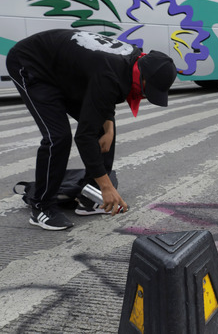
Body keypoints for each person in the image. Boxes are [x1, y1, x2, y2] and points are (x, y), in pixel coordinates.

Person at [6, 29, 178, 231]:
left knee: (105, 130)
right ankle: (42, 206)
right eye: (149, 91)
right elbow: (85, 136)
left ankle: (90, 196)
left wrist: (109, 129)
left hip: (63, 71)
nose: (147, 96)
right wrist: (108, 185)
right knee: (58, 136)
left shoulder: (133, 62)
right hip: (32, 63)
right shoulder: (111, 74)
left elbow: (103, 98)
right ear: (144, 77)